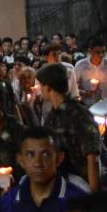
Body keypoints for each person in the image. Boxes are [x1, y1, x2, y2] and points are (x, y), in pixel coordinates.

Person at [35, 63, 101, 191]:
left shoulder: (79, 114)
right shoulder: (53, 115)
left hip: (79, 185)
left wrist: (94, 195)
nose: (39, 89)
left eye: (40, 85)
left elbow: (92, 155)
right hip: (60, 184)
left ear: (48, 87)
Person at [72, 38, 107, 105]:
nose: (101, 55)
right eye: (97, 52)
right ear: (90, 51)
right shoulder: (80, 65)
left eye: (103, 52)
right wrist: (83, 92)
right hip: (88, 105)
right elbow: (73, 86)